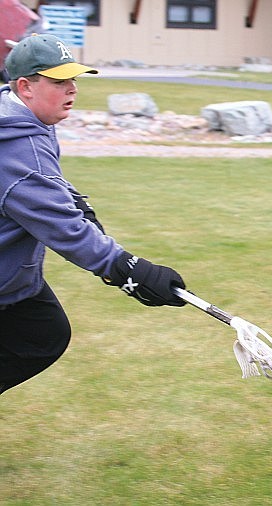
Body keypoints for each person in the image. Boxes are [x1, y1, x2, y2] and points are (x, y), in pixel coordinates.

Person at [0, 34, 187, 395]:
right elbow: (65, 229)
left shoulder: (19, 119)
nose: (72, 89)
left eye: (73, 79)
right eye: (59, 81)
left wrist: (74, 199)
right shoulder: (20, 149)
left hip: (12, 279)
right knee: (40, 335)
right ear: (25, 87)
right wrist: (130, 271)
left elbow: (42, 184)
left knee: (44, 333)